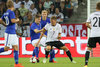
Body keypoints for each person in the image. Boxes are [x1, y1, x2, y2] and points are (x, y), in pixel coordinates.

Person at [0, 0, 24, 67]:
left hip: (12, 33)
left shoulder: (5, 13)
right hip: (9, 33)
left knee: (16, 47)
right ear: (13, 5)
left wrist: (5, 25)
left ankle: (16, 64)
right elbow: (13, 20)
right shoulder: (11, 12)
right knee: (6, 48)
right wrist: (17, 20)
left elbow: (0, 20)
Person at [84, 2, 100, 67]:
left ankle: (86, 64)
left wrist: (92, 28)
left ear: (96, 7)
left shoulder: (92, 15)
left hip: (93, 34)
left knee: (88, 49)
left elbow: (87, 24)